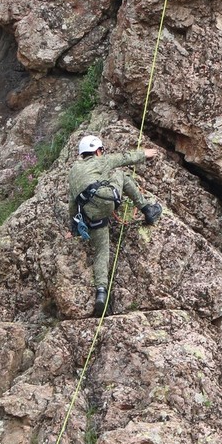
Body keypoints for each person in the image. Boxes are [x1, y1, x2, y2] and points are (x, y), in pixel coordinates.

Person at [67, 134, 163, 317]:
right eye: (101, 151)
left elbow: (72, 202)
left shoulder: (73, 171)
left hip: (90, 214)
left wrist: (74, 227)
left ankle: (101, 292)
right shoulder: (99, 161)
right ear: (96, 151)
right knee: (121, 175)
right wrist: (145, 153)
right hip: (107, 202)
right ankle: (147, 209)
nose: (102, 154)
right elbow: (123, 158)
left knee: (101, 251)